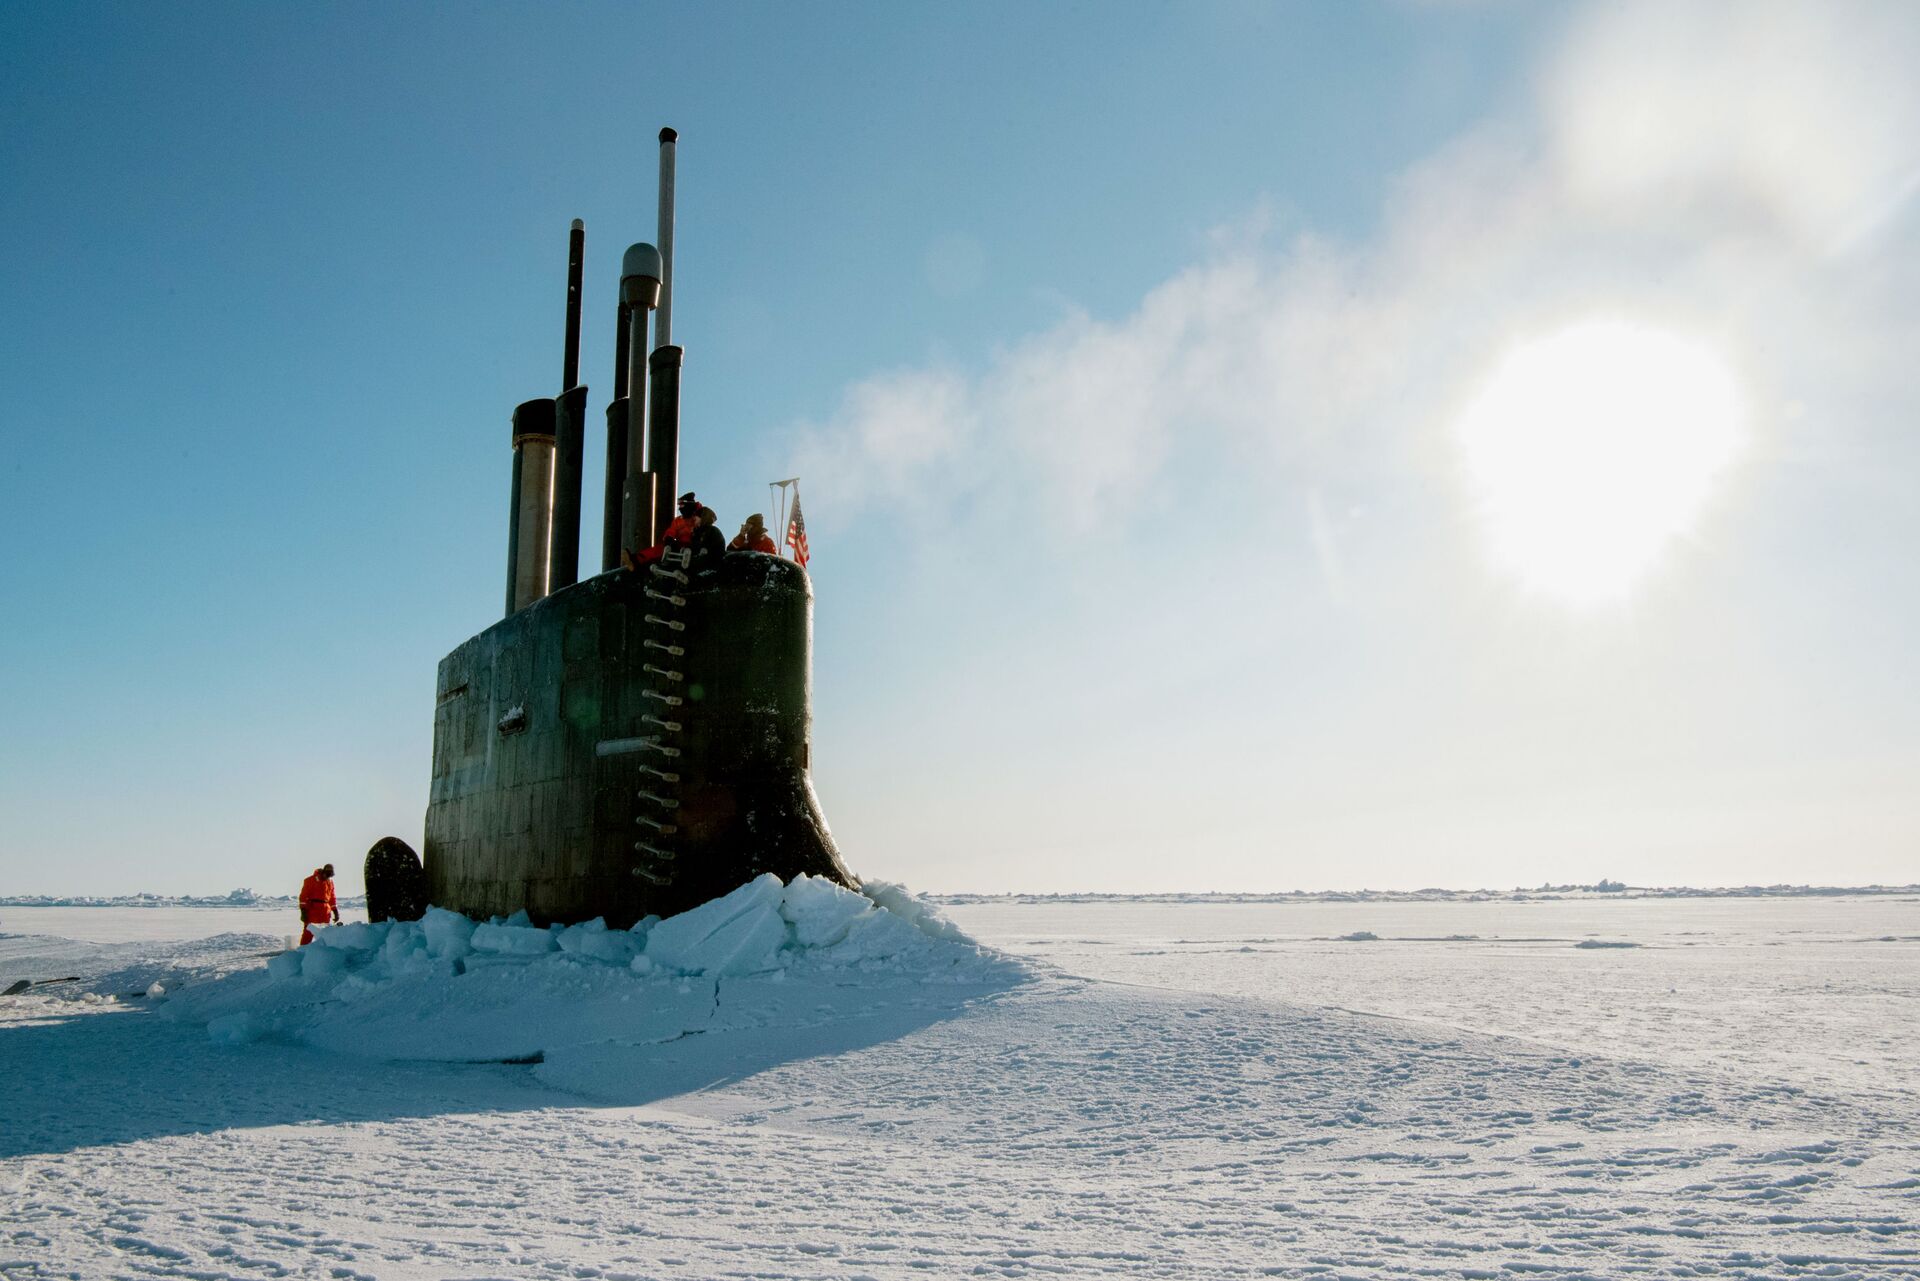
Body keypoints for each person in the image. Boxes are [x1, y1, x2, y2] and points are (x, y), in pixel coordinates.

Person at [623, 492, 702, 571]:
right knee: (660, 549)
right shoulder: (678, 521)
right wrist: (668, 538)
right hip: (680, 545)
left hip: (694, 543)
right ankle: (636, 560)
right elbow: (672, 530)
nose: (680, 508)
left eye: (681, 505)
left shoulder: (699, 516)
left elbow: (706, 523)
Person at [298, 864, 340, 946]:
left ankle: (323, 950)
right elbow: (303, 896)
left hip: (325, 911)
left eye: (330, 876)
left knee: (325, 932)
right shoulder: (310, 880)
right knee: (309, 931)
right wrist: (303, 911)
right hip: (312, 909)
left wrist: (335, 911)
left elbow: (332, 897)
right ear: (324, 872)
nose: (328, 877)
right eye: (327, 875)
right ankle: (302, 951)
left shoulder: (330, 882)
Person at [690, 505, 728, 569]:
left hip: (711, 562)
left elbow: (715, 549)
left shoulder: (712, 531)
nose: (694, 518)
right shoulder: (697, 532)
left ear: (702, 517)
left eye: (697, 516)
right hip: (699, 559)